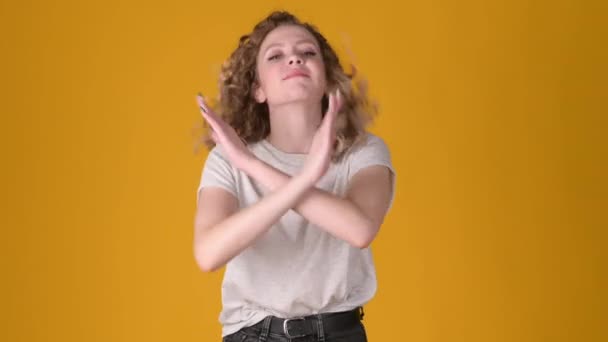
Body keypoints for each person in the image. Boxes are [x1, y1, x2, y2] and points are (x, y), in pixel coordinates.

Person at [193, 10, 396, 342]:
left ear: (328, 80)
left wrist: (255, 168)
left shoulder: (363, 152)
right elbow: (208, 253)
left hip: (339, 333)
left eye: (307, 52)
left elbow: (359, 229)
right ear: (258, 89)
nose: (294, 60)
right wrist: (303, 180)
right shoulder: (227, 161)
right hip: (254, 334)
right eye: (276, 56)